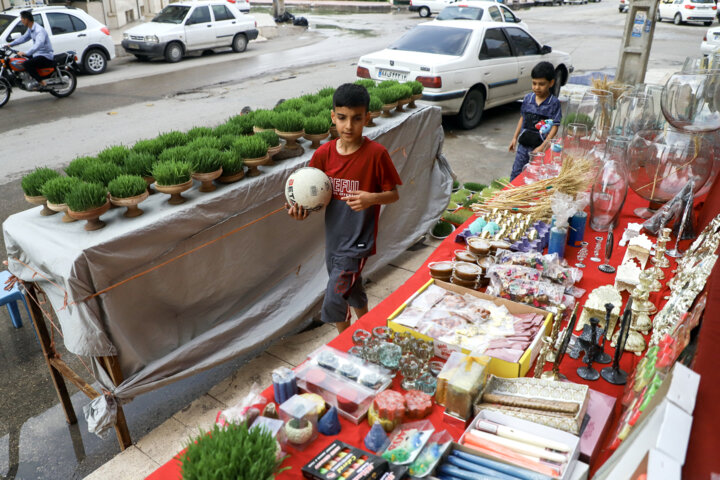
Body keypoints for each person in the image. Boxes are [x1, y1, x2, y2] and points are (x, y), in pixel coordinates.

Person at [287, 83, 402, 334]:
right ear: (333, 117)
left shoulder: (376, 154)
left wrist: (371, 198)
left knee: (335, 295)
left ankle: (344, 342)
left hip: (358, 243)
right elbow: (311, 196)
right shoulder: (323, 154)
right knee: (353, 288)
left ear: (367, 118)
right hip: (334, 240)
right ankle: (371, 328)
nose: (348, 126)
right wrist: (300, 210)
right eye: (342, 118)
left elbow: (393, 195)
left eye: (356, 118)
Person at [508, 61, 562, 181]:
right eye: (534, 83)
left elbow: (554, 126)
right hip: (523, 144)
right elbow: (522, 118)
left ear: (551, 83)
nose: (537, 87)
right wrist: (514, 138)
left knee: (535, 175)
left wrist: (543, 146)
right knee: (516, 172)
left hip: (540, 148)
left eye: (541, 84)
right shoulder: (528, 99)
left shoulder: (553, 103)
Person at [9, 11, 54, 90]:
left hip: (45, 56)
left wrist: (26, 53)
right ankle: (28, 78)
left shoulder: (39, 30)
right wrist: (10, 44)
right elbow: (24, 38)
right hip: (38, 54)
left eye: (22, 19)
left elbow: (38, 45)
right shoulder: (31, 29)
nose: (21, 21)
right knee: (19, 57)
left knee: (27, 64)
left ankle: (41, 82)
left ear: (26, 20)